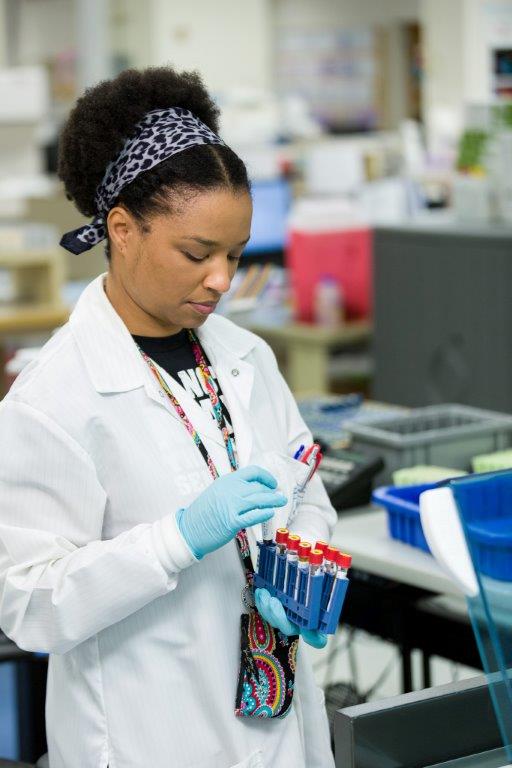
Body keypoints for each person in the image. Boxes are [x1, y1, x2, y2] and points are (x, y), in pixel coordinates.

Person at [0, 67, 337, 768]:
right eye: (197, 253)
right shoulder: (55, 399)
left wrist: (300, 562)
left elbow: (307, 481)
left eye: (235, 255)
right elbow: (30, 602)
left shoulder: (247, 358)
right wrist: (174, 541)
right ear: (121, 230)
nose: (222, 279)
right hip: (143, 735)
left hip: (273, 716)